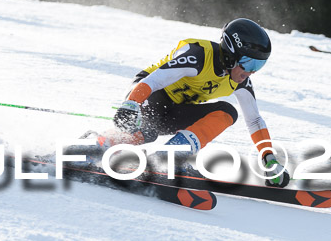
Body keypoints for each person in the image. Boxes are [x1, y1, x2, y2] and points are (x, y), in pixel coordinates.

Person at [99, 18, 289, 188]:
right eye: (250, 64)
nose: (252, 72)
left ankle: (169, 156)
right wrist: (131, 103)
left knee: (228, 112)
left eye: (259, 66)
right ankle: (100, 143)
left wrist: (268, 157)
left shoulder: (240, 79)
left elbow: (254, 121)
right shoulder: (199, 56)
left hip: (174, 111)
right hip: (146, 98)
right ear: (232, 53)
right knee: (147, 132)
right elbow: (153, 81)